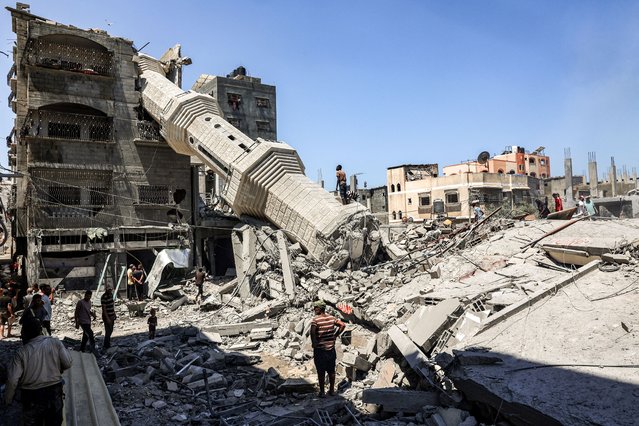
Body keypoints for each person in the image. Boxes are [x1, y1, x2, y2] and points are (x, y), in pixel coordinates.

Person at [4, 315, 72, 426]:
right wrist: (58, 369)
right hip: (54, 392)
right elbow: (68, 363)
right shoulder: (55, 343)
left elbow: (12, 380)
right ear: (40, 331)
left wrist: (8, 399)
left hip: (31, 396)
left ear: (25, 333)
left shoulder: (21, 353)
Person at [310, 300, 345, 397]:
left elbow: (312, 331)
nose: (314, 309)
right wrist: (335, 335)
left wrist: (314, 342)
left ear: (319, 309)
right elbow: (342, 325)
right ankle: (332, 391)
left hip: (320, 350)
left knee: (321, 371)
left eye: (315, 308)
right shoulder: (331, 318)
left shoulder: (315, 320)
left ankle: (322, 392)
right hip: (331, 349)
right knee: (331, 370)